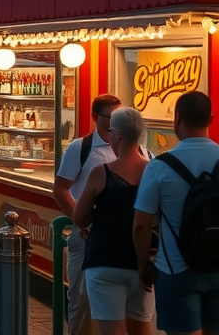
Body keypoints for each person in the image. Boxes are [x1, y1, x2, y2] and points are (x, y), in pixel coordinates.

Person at [134, 91, 219, 335]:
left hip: (175, 268)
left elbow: (141, 225)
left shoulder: (159, 166)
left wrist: (143, 266)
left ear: (177, 118)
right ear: (210, 120)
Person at [72, 106, 153, 335]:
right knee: (141, 328)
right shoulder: (153, 172)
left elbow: (79, 217)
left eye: (111, 134)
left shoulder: (101, 172)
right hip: (142, 260)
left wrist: (96, 218)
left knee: (111, 330)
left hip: (104, 258)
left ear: (118, 135)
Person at [53, 94, 122, 335]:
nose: (116, 122)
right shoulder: (81, 148)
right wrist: (79, 221)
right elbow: (60, 189)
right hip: (85, 237)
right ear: (96, 118)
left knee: (115, 304)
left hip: (118, 239)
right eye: (112, 117)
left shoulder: (135, 150)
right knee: (82, 301)